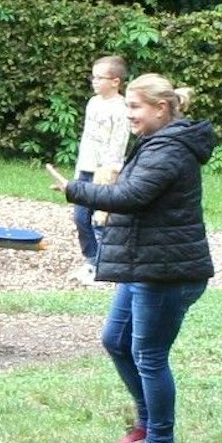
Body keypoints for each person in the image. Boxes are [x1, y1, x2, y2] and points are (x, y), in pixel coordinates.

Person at [47, 75, 214, 443]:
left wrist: (76, 189)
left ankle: (160, 442)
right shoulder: (158, 143)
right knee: (117, 341)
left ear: (161, 108)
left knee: (149, 355)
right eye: (128, 107)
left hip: (166, 272)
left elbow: (130, 196)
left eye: (135, 107)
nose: (129, 115)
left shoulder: (170, 149)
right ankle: (147, 423)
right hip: (148, 265)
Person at [70, 55, 131, 283]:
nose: (94, 82)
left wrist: (110, 174)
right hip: (86, 167)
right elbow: (87, 140)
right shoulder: (93, 103)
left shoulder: (122, 108)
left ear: (115, 81)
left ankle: (103, 265)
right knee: (80, 217)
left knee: (101, 219)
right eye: (93, 77)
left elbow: (118, 144)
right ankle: (91, 259)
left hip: (105, 171)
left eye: (100, 77)